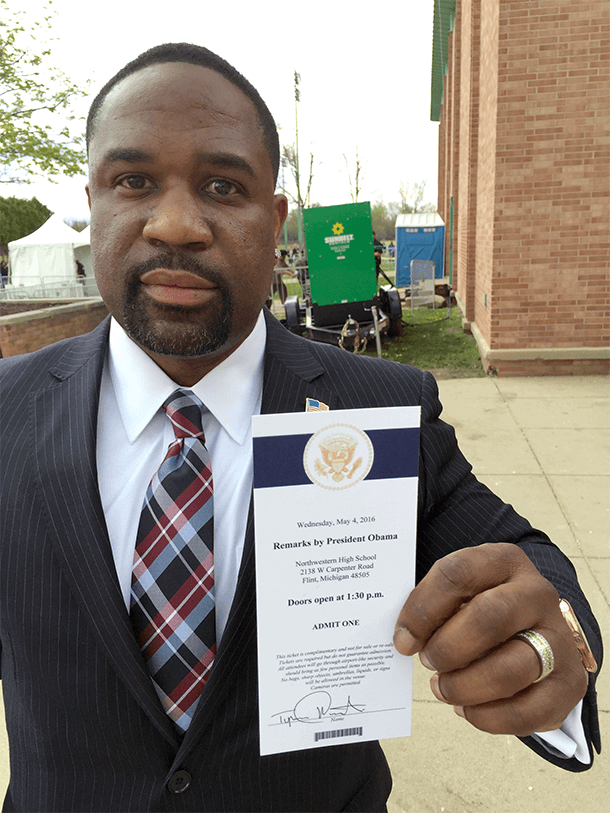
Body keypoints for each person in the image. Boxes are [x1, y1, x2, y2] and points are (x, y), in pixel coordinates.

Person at [0, 43, 601, 813]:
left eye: (223, 185)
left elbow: (519, 557)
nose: (178, 223)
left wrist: (555, 640)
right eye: (134, 181)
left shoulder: (377, 408)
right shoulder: (8, 412)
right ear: (93, 200)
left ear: (275, 218)